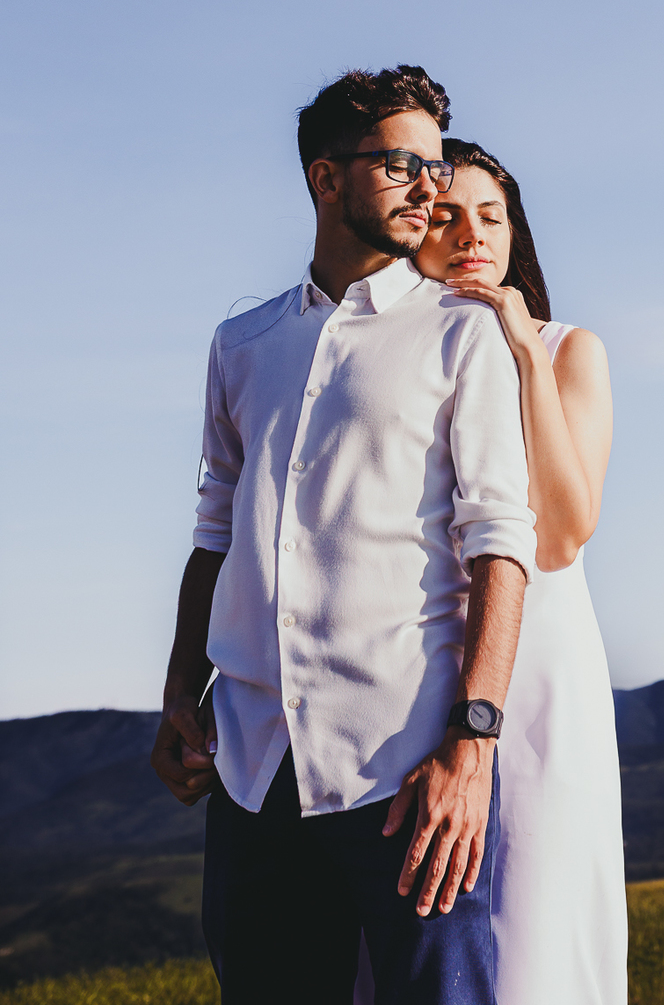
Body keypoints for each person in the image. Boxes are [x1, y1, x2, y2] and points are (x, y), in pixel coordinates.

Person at [149, 65, 538, 1005]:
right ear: (327, 179)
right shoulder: (240, 344)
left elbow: (500, 544)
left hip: (405, 771)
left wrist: (472, 744)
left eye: (437, 168)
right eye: (404, 164)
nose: (430, 189)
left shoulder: (461, 335)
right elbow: (215, 530)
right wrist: (176, 689)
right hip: (251, 766)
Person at [417, 139, 627, 1005]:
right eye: (447, 216)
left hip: (540, 660)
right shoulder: (399, 353)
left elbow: (563, 535)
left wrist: (523, 352)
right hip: (429, 652)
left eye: (492, 216)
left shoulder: (569, 348)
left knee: (539, 893)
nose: (473, 234)